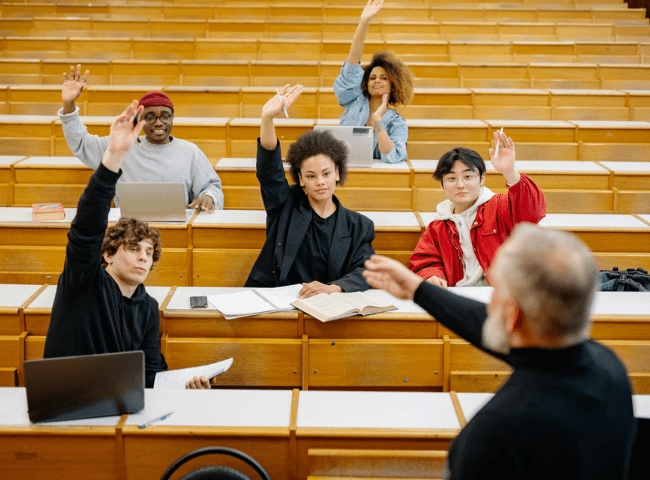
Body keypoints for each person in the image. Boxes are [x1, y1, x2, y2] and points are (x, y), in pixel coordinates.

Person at [364, 224, 635, 480]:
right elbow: (494, 327)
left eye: (495, 290)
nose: (488, 302)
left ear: (511, 314)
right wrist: (417, 289)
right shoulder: (609, 368)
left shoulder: (497, 432)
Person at [44, 101, 213, 390]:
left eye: (149, 253)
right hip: (66, 401)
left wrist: (185, 388)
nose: (143, 258)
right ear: (107, 254)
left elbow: (151, 374)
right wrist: (114, 156)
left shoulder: (147, 308)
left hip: (121, 405)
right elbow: (86, 228)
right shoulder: (84, 281)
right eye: (133, 249)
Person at [244, 85, 376, 298]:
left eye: (326, 173)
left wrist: (333, 288)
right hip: (279, 300)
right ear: (301, 180)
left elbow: (364, 271)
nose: (320, 182)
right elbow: (269, 171)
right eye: (311, 176)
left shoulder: (359, 225)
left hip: (328, 305)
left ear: (337, 173)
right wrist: (267, 118)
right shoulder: (285, 205)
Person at [59, 64, 223, 212]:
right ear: (140, 120)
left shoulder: (189, 151)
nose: (158, 123)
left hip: (177, 229)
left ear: (172, 119)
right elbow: (80, 143)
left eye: (165, 117)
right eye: (150, 117)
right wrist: (69, 105)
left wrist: (208, 197)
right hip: (128, 232)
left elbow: (212, 186)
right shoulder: (121, 147)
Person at [410, 130, 547, 288]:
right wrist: (432, 276)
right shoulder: (438, 227)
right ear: (442, 184)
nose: (460, 185)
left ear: (482, 178)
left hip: (502, 294)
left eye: (468, 177)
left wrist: (510, 173)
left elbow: (533, 213)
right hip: (460, 298)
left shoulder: (499, 206)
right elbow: (425, 261)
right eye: (451, 178)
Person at [334, 0, 414, 164]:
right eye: (372, 77)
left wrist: (378, 120)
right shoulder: (353, 101)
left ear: (393, 87)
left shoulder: (397, 122)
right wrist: (364, 22)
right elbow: (352, 65)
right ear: (365, 84)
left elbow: (392, 156)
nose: (377, 80)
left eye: (384, 78)